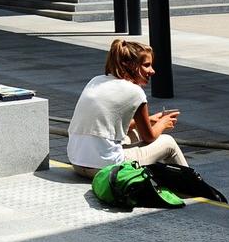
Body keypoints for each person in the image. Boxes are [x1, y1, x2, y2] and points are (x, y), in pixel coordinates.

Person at [67, 39, 185, 178]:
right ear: (128, 65)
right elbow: (149, 137)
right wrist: (162, 123)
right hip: (104, 168)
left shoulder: (96, 81)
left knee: (132, 134)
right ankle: (193, 187)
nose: (152, 71)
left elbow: (114, 125)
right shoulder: (135, 91)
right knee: (168, 142)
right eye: (146, 65)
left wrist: (150, 119)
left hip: (77, 163)